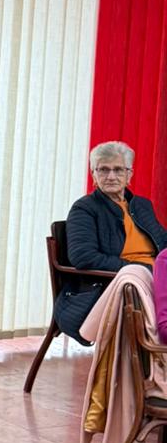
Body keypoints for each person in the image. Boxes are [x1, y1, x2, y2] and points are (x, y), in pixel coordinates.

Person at [56, 141, 167, 344]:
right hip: (113, 284)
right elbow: (83, 257)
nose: (111, 176)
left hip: (155, 278)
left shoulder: (142, 205)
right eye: (104, 170)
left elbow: (163, 242)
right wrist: (141, 269)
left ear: (129, 174)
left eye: (118, 169)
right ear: (94, 175)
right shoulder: (84, 209)